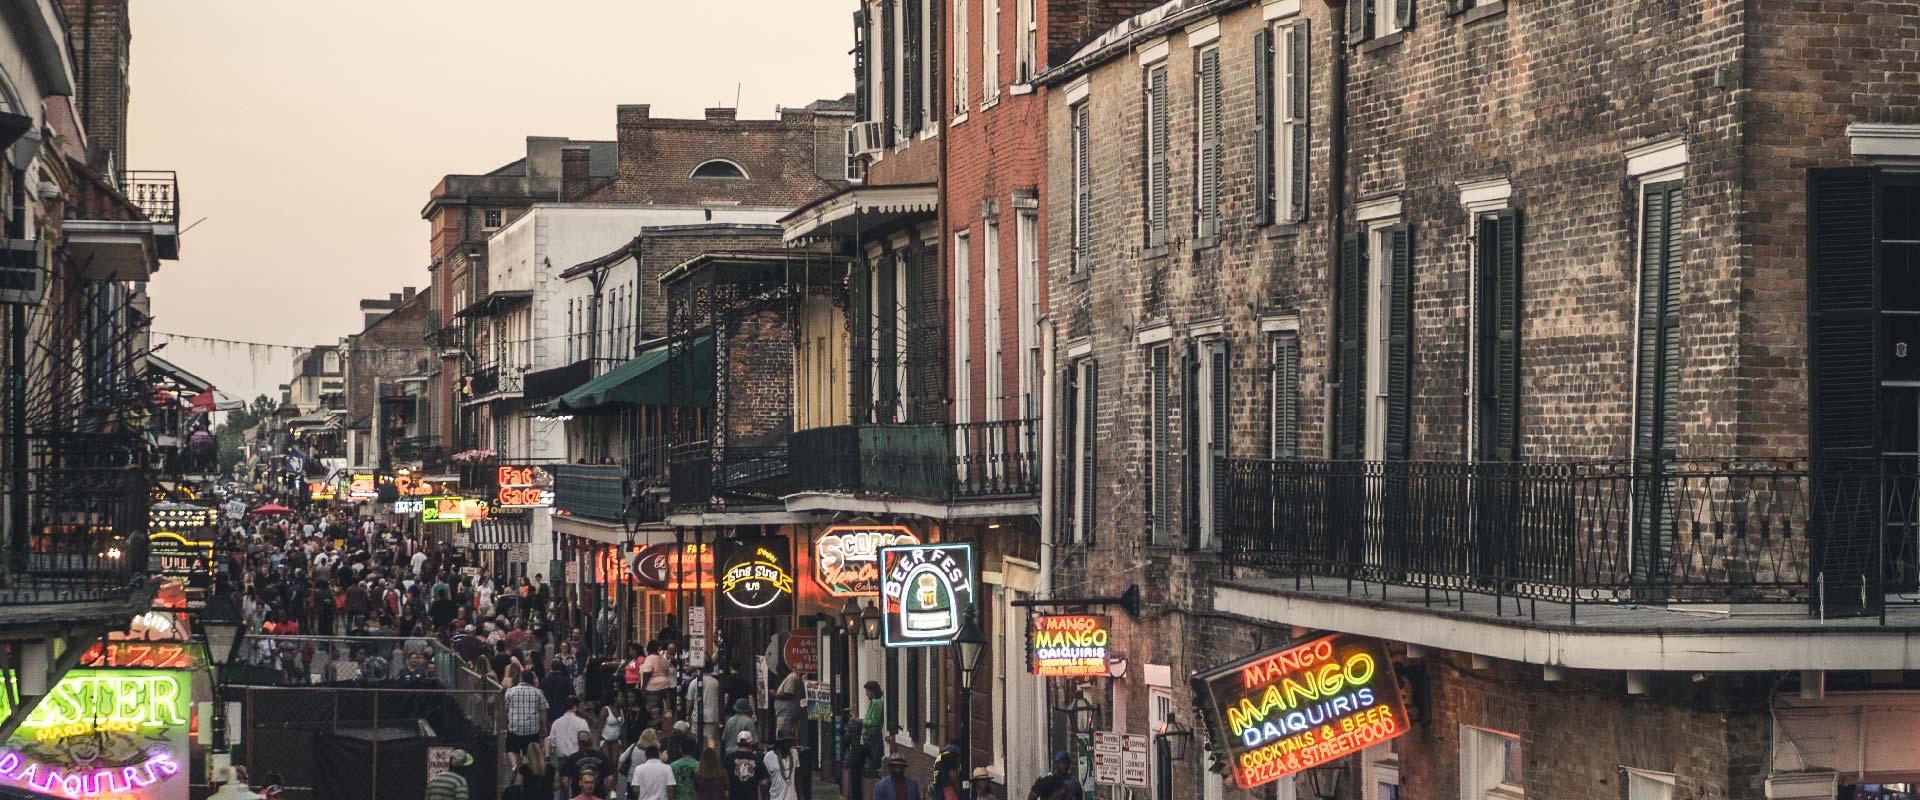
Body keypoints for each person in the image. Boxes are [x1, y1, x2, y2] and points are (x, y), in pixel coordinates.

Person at [504, 671, 549, 769]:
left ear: (520, 679)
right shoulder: (538, 692)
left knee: (511, 749)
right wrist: (544, 726)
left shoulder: (510, 691)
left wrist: (507, 722)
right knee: (527, 752)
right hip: (532, 729)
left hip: (514, 727)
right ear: (532, 680)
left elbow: (505, 709)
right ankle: (524, 769)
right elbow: (543, 711)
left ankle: (515, 766)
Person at [724, 732, 767, 800]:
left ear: (737, 743)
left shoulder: (729, 758)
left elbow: (724, 779)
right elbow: (764, 782)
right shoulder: (757, 759)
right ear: (751, 743)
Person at [771, 666, 803, 742]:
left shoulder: (791, 677)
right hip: (783, 713)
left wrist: (774, 694)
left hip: (787, 713)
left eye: (780, 672)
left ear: (784, 669)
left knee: (784, 735)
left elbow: (789, 694)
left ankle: (784, 745)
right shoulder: (788, 678)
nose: (780, 675)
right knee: (782, 733)